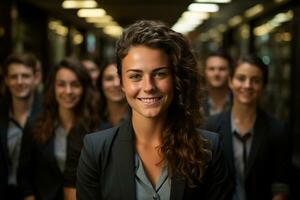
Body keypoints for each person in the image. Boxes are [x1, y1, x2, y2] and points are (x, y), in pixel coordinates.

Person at [77, 20, 233, 200]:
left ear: (175, 79)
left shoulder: (208, 148)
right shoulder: (96, 150)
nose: (149, 86)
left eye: (160, 74)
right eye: (135, 76)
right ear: (122, 83)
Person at [205, 54, 291, 200]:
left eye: (256, 80)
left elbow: (280, 186)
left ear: (263, 86)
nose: (247, 85)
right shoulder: (211, 126)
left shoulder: (277, 130)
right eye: (241, 78)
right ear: (230, 82)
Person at [18, 58, 99, 200]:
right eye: (61, 84)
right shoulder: (34, 125)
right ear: (53, 88)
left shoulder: (97, 129)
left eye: (75, 85)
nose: (68, 91)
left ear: (84, 88)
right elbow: (24, 178)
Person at [63, 58, 128, 200]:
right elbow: (71, 180)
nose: (116, 84)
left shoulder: (143, 124)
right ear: (100, 84)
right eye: (109, 79)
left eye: (121, 77)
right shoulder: (85, 125)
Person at [0, 53, 41, 200]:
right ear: (6, 80)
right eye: (13, 76)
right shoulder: (2, 114)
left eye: (25, 76)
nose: (19, 81)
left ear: (35, 78)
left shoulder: (47, 114)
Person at [203, 51, 232, 116]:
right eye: (211, 69)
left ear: (230, 72)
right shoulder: (195, 103)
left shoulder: (239, 101)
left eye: (222, 69)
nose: (216, 74)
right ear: (205, 72)